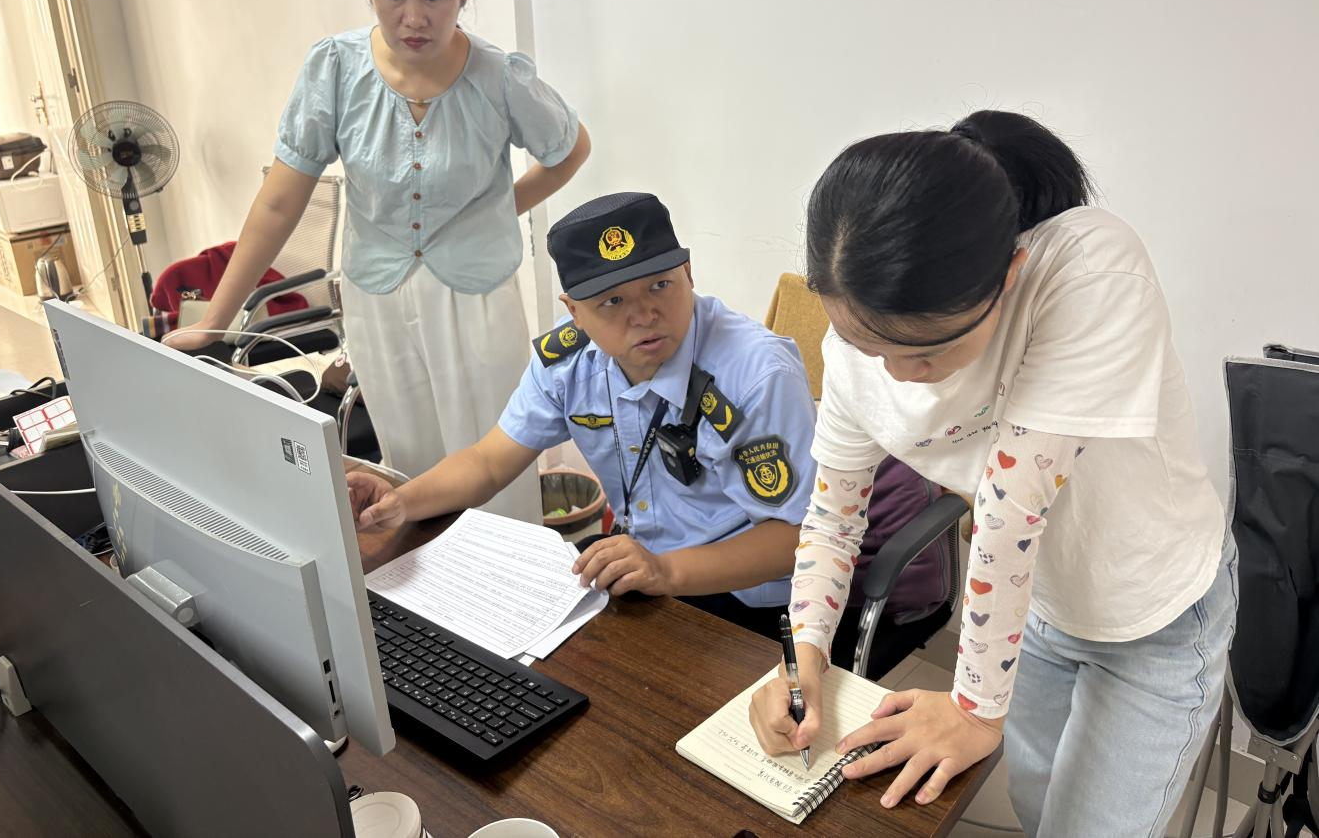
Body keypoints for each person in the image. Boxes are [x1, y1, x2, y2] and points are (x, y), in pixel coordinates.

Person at [749, 111, 1235, 837]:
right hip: (1038, 605)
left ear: (1007, 276)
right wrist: (801, 661)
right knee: (1037, 808)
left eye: (924, 351)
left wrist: (974, 710)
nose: (897, 374)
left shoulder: (1087, 269)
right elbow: (832, 518)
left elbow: (1011, 508)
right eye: (867, 346)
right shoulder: (858, 343)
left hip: (1152, 610)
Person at [168, 0, 590, 522]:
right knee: (406, 474)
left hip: (476, 298)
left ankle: (506, 582)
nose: (414, 18)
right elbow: (281, 200)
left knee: (497, 473)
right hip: (378, 299)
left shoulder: (498, 77)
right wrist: (215, 322)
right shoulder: (336, 70)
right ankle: (429, 585)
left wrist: (497, 212)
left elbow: (568, 149)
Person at [346, 191, 819, 633]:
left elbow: (798, 538)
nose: (644, 314)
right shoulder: (570, 362)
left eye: (660, 285)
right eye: (612, 300)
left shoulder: (757, 373)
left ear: (689, 273)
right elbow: (488, 462)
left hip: (749, 596)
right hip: (643, 567)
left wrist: (666, 571)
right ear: (574, 311)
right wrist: (401, 502)